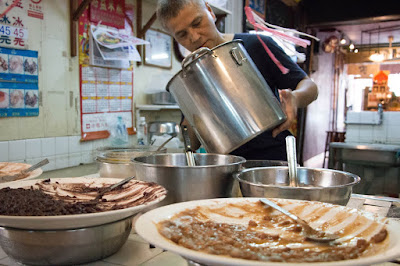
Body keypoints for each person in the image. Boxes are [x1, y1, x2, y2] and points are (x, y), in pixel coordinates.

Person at [156, 0, 318, 160]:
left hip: (273, 161)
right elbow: (191, 143)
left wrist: (294, 99)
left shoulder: (255, 45)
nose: (194, 37)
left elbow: (310, 87)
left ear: (210, 11)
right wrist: (195, 105)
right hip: (224, 168)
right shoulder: (190, 76)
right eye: (182, 34)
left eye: (197, 23)